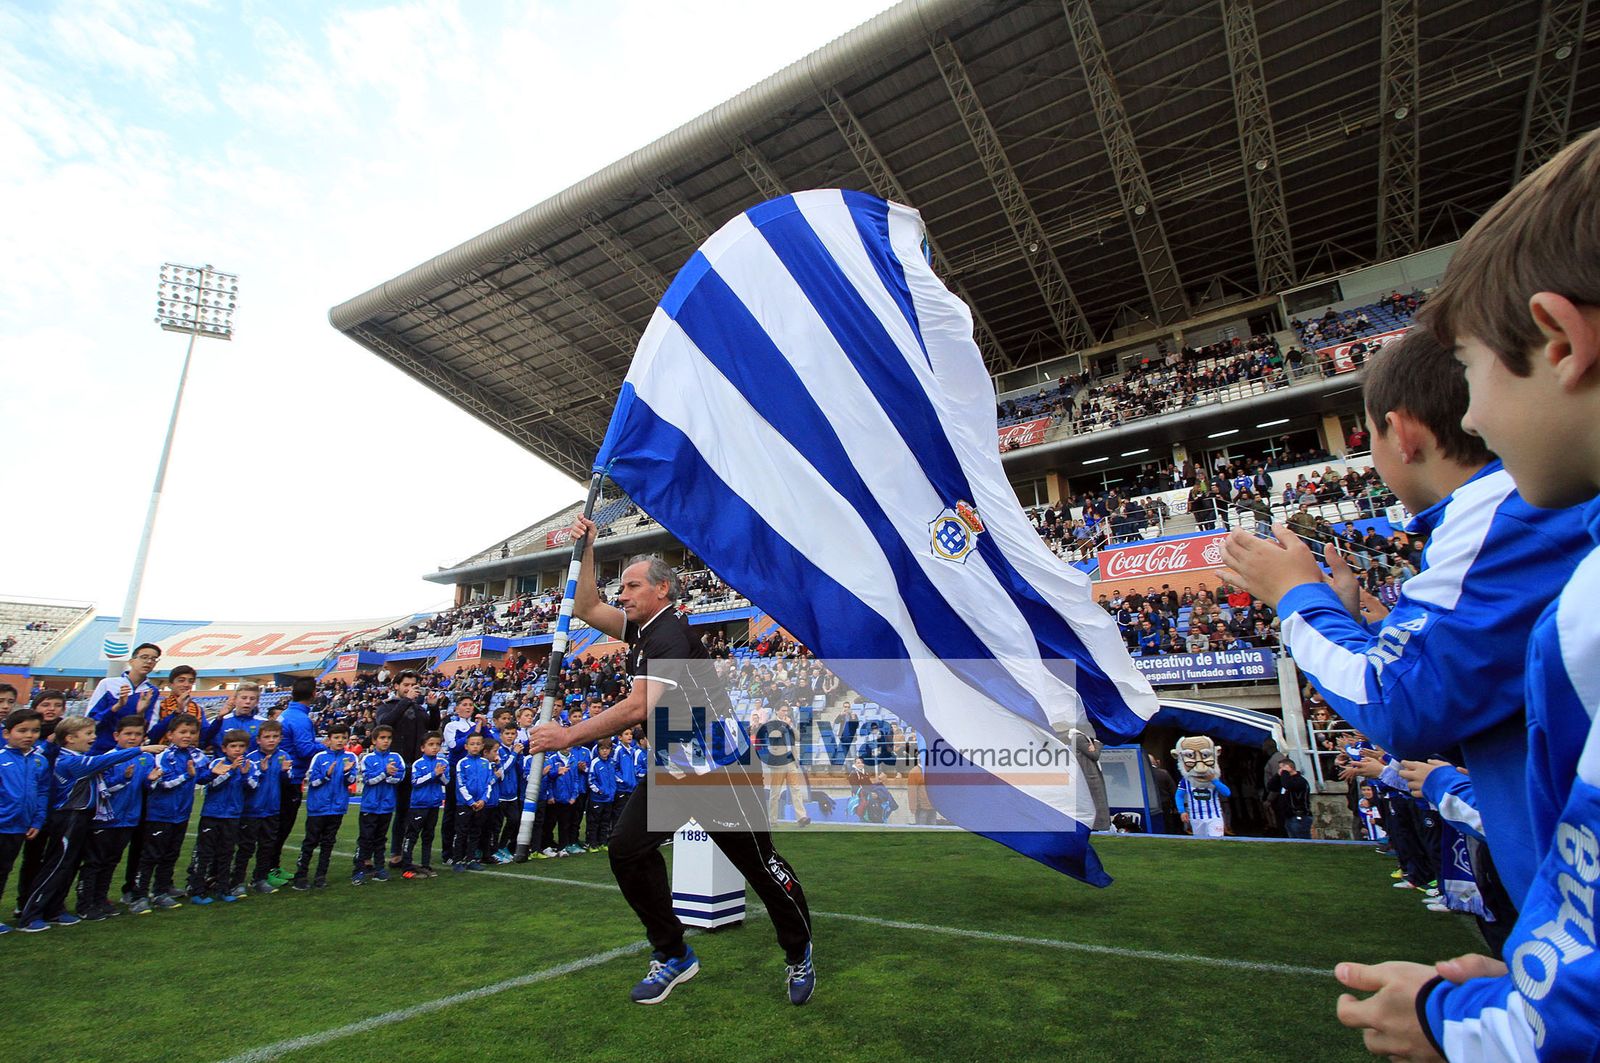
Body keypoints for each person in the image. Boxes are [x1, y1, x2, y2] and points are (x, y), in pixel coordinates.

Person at [1333, 128, 1600, 1061]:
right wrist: (1534, 966)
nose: (1476, 415)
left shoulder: (1544, 556)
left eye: (1477, 371)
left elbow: (1398, 700)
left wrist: (1459, 1020)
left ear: (1561, 339)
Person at [1222, 328, 1588, 911]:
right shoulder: (1506, 516)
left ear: (1402, 432)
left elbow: (1393, 700)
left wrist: (1296, 597)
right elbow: (1462, 684)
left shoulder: (1499, 516)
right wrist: (1349, 623)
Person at [527, 515, 814, 1006]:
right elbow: (587, 605)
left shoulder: (667, 637)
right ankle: (674, 953)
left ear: (662, 589)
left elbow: (638, 707)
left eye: (632, 586)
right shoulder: (643, 630)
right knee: (626, 850)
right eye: (623, 587)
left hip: (721, 772)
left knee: (759, 865)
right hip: (674, 769)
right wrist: (588, 545)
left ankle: (798, 949)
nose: (623, 594)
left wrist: (567, 736)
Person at [16, 716, 163, 930]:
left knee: (68, 866)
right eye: (88, 733)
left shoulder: (78, 757)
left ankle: (54, 910)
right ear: (69, 738)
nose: (94, 737)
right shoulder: (69, 761)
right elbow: (103, 761)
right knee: (56, 866)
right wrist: (141, 749)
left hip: (81, 817)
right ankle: (31, 915)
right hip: (68, 817)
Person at [129, 714, 208, 914]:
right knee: (150, 856)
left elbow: (201, 778)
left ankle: (161, 891)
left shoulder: (197, 755)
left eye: (192, 732)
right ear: (170, 735)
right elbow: (163, 784)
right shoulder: (163, 755)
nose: (188, 736)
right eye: (183, 732)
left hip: (181, 814)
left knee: (171, 855)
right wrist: (187, 775)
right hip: (160, 814)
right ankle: (139, 896)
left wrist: (216, 772)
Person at [187, 730, 258, 905]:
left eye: (241, 746)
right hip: (212, 814)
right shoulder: (217, 763)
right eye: (233, 746)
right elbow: (211, 784)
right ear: (225, 748)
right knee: (205, 853)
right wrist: (229, 770)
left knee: (226, 853)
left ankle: (223, 888)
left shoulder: (249, 765)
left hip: (233, 815)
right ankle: (197, 890)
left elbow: (252, 787)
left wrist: (243, 774)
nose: (237, 750)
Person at [263, 677, 322, 888]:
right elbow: (305, 750)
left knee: (278, 826)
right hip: (290, 778)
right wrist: (326, 746)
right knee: (281, 826)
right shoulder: (299, 718)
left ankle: (273, 866)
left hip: (283, 776)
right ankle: (267, 869)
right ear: (313, 694)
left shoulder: (288, 714)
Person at [374, 671, 434, 868]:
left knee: (405, 813)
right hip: (392, 766)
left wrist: (434, 707)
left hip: (413, 766)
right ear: (396, 686)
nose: (410, 688)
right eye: (406, 685)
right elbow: (385, 724)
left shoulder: (418, 708)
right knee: (379, 813)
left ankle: (398, 854)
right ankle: (367, 857)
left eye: (413, 685)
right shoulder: (387, 705)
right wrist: (406, 701)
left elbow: (432, 726)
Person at [0, 708, 50, 933]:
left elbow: (43, 792)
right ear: (7, 734)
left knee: (4, 870)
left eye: (34, 731)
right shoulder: (2, 759)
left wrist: (37, 821)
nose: (29, 735)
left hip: (20, 827)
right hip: (2, 825)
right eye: (22, 730)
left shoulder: (39, 760)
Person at [293, 724, 358, 890]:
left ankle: (321, 875)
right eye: (336, 737)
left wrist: (346, 772)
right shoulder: (319, 757)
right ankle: (301, 875)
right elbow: (311, 782)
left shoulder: (350, 757)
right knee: (310, 842)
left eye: (343, 738)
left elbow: (351, 781)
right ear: (329, 740)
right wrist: (326, 775)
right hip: (318, 807)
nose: (340, 741)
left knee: (328, 843)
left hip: (337, 807)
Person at [236, 720, 291, 895]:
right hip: (251, 810)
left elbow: (287, 782)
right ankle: (237, 881)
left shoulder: (284, 756)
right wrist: (261, 771)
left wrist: (284, 772)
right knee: (246, 847)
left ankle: (259, 879)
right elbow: (245, 785)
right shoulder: (250, 757)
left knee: (267, 846)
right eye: (267, 737)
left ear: (280, 738)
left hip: (272, 809)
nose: (271, 740)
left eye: (275, 736)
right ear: (258, 740)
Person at [84, 643, 161, 753]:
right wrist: (116, 707)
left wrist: (140, 713)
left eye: (154, 659)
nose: (149, 662)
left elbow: (149, 728)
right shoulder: (108, 684)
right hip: (101, 749)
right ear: (131, 661)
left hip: (130, 752)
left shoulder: (152, 692)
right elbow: (91, 721)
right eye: (144, 657)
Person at [352, 724, 404, 885]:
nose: (386, 741)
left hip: (387, 805)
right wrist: (385, 773)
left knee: (381, 839)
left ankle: (380, 868)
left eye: (388, 738)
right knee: (366, 839)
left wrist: (386, 776)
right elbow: (368, 780)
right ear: (374, 741)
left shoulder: (396, 757)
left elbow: (400, 777)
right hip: (370, 805)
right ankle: (359, 869)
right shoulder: (368, 758)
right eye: (382, 738)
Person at [401, 732, 446, 879]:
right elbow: (415, 782)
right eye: (431, 744)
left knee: (429, 835)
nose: (435, 747)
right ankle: (406, 867)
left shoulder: (442, 762)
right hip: (419, 805)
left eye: (437, 744)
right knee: (412, 835)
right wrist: (433, 774)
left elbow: (447, 782)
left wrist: (440, 774)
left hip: (434, 804)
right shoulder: (418, 763)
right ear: (422, 748)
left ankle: (426, 865)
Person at [452, 732, 494, 872]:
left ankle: (471, 859)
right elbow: (460, 784)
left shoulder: (486, 763)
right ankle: (458, 860)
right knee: (461, 833)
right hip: (465, 804)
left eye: (478, 744)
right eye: (472, 744)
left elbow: (489, 783)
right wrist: (471, 801)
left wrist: (483, 800)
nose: (475, 747)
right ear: (466, 746)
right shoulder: (462, 763)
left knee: (475, 832)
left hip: (480, 804)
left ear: (482, 746)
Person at [1267, 759, 1313, 839]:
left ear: (1289, 767)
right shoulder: (1284, 781)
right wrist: (1277, 775)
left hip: (1300, 817)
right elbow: (1271, 786)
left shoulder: (1299, 781)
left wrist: (1285, 773)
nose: (1281, 770)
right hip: (1288, 817)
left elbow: (1288, 785)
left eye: (1282, 767)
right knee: (1293, 840)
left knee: (1302, 840)